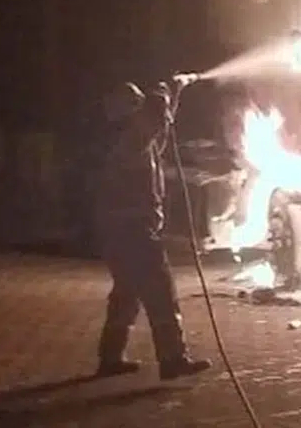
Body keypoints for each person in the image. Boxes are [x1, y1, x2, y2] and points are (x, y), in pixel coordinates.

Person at [94, 78, 212, 381]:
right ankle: (173, 359)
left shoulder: (126, 140)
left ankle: (110, 357)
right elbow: (155, 121)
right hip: (135, 231)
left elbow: (161, 130)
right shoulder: (129, 140)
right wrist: (165, 91)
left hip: (120, 231)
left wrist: (176, 93)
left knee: (126, 293)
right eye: (136, 104)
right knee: (161, 293)